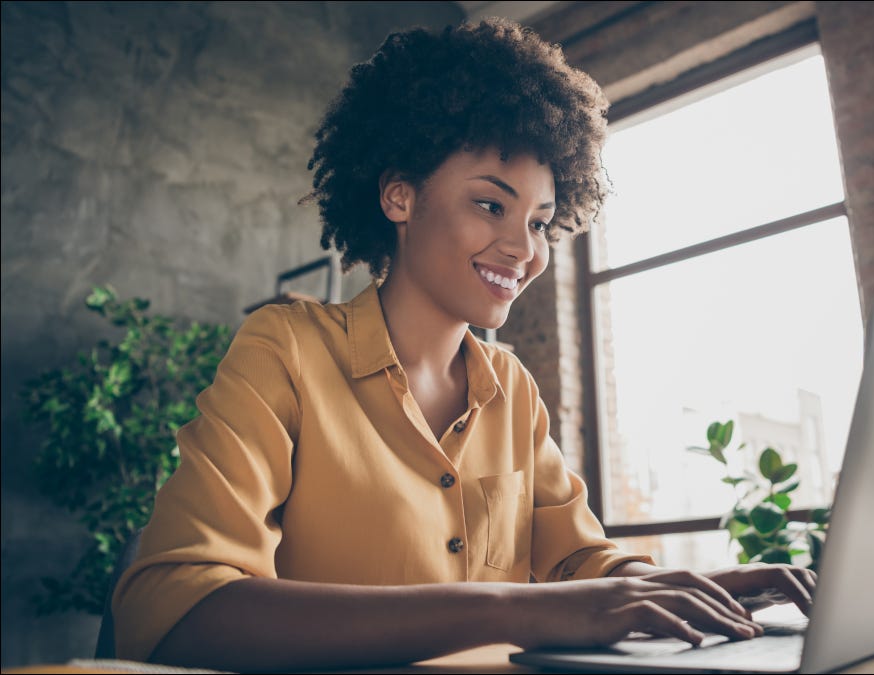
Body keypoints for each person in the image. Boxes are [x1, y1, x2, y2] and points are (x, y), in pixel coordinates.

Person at [112, 18, 817, 671]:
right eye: (491, 204)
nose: (523, 248)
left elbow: (578, 563)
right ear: (399, 198)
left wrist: (686, 586)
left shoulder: (510, 388)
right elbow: (175, 608)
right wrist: (513, 607)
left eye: (540, 221)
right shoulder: (286, 350)